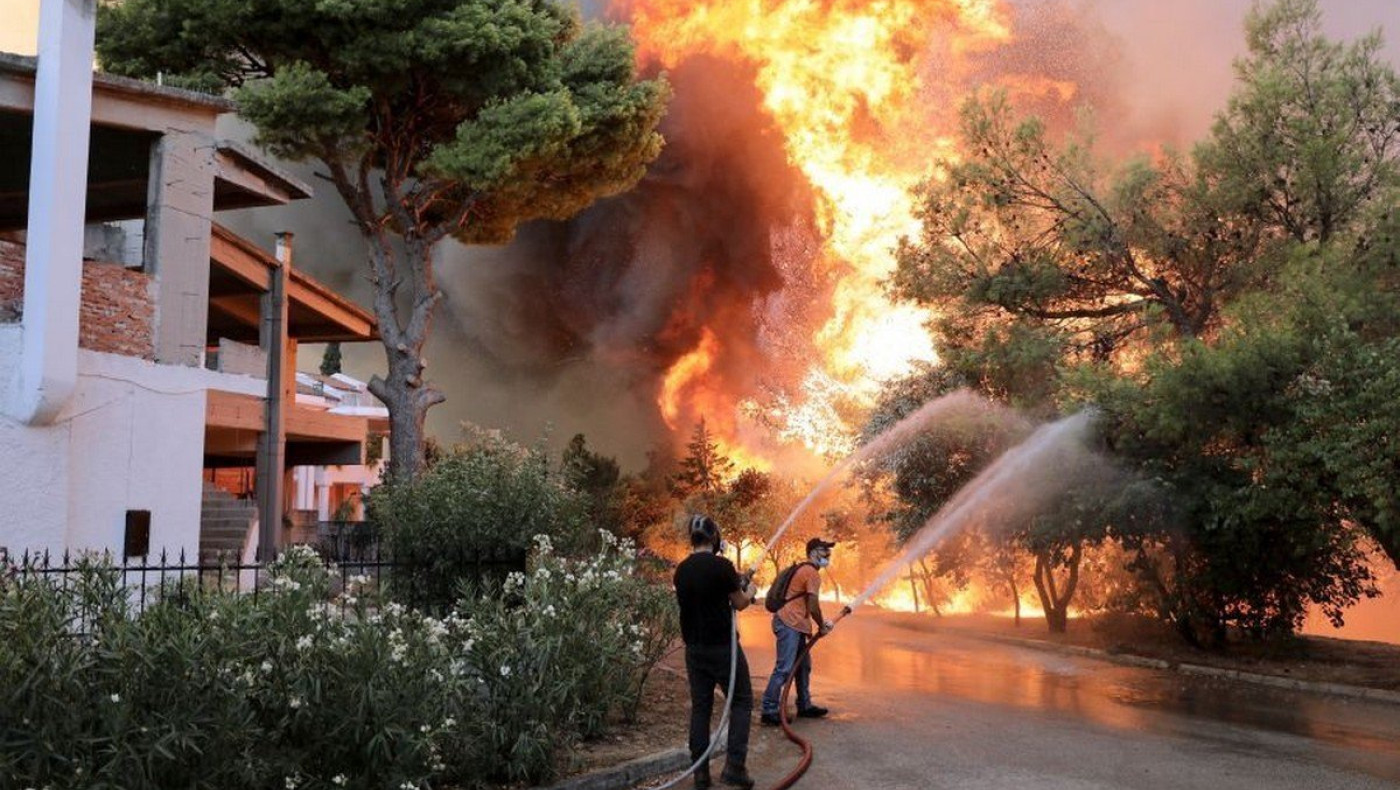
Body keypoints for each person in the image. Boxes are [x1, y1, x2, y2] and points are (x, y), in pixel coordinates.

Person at [673, 514, 759, 789]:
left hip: (694, 649)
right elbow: (741, 603)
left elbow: (706, 596)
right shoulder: (722, 567)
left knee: (701, 707)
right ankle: (735, 767)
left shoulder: (681, 570)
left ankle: (701, 773)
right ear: (714, 537)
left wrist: (736, 582)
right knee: (742, 700)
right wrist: (750, 589)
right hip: (723, 648)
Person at [759, 537, 835, 726]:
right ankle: (769, 709)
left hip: (795, 624)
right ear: (813, 552)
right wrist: (821, 625)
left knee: (803, 666)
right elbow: (813, 605)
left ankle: (804, 705)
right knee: (784, 668)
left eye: (828, 551)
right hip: (789, 623)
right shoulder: (811, 572)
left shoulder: (805, 569)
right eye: (824, 550)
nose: (827, 555)